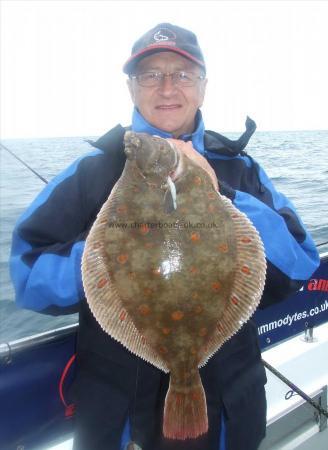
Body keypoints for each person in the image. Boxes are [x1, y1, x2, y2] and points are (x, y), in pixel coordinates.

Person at [10, 23, 320, 450]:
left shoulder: (240, 171)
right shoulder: (90, 173)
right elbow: (28, 278)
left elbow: (299, 266)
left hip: (229, 412)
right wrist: (112, 257)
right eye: (150, 75)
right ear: (132, 88)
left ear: (203, 86)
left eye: (182, 74)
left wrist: (221, 193)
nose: (167, 87)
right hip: (120, 421)